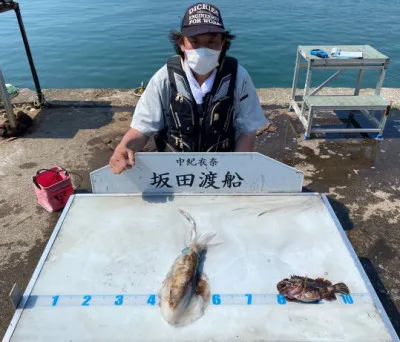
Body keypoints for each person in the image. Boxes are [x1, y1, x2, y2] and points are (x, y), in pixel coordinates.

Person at [109, 2, 268, 174]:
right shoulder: (164, 78)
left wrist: (235, 171)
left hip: (220, 170)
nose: (203, 50)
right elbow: (141, 128)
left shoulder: (239, 77)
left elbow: (248, 130)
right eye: (195, 42)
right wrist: (125, 146)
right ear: (181, 43)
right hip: (173, 171)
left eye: (212, 41)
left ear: (223, 42)